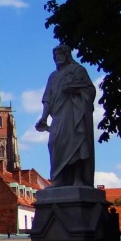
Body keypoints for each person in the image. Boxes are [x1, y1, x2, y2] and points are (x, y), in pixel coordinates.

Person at [35, 44, 96, 187]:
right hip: (58, 116)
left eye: (60, 55)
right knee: (54, 144)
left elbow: (90, 90)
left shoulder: (78, 70)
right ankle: (59, 178)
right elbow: (47, 98)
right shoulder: (53, 76)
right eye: (55, 56)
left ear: (67, 56)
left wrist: (76, 90)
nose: (57, 58)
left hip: (74, 112)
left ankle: (77, 179)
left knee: (76, 144)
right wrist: (44, 117)